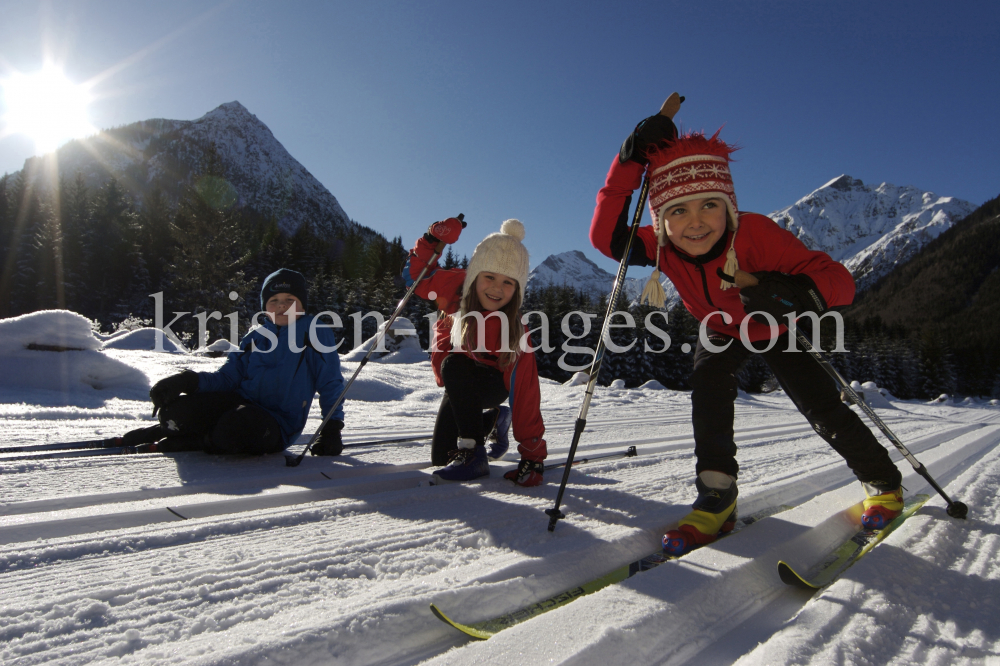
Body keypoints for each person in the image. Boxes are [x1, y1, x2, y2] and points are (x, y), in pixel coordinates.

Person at [589, 93, 904, 555]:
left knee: (822, 409)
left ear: (729, 207)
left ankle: (883, 483)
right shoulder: (660, 245)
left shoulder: (756, 233)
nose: (695, 223)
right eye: (678, 210)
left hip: (776, 324)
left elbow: (839, 282)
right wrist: (628, 160)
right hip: (719, 327)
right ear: (661, 221)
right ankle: (717, 499)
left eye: (708, 206)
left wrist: (781, 291)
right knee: (708, 390)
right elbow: (606, 237)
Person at [122, 268, 347, 456]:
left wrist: (332, 429)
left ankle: (199, 440)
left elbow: (330, 383)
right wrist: (186, 382)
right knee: (176, 412)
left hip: (277, 424)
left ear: (302, 304)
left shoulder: (315, 333)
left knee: (235, 428)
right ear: (265, 306)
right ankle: (172, 429)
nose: (282, 306)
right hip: (239, 403)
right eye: (274, 300)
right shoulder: (255, 337)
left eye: (290, 300)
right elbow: (228, 378)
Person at [406, 217, 546, 485]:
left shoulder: (515, 330)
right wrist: (433, 239)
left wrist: (532, 455)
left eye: (508, 282)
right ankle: (493, 418)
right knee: (442, 457)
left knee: (455, 365)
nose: (496, 288)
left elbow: (526, 392)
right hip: (459, 383)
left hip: (490, 384)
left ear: (517, 289)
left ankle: (473, 453)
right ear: (475, 276)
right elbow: (414, 277)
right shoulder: (456, 287)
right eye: (489, 277)